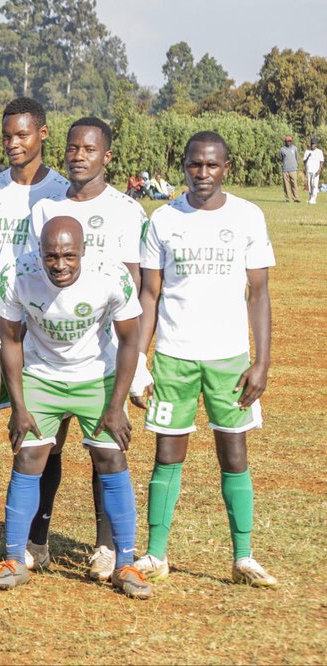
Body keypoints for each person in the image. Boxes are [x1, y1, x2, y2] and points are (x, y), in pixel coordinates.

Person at [133, 131, 277, 588]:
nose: (203, 173)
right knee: (167, 453)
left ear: (226, 168)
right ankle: (156, 554)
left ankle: (244, 556)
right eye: (195, 164)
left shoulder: (248, 216)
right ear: (184, 166)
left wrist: (262, 361)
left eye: (212, 165)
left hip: (230, 359)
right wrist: (139, 360)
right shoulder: (163, 219)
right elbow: (150, 294)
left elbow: (259, 293)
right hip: (174, 356)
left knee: (234, 453)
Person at [0, 216, 152, 600]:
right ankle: (15, 558)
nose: (59, 265)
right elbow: (9, 340)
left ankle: (124, 562)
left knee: (111, 460)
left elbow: (130, 340)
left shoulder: (111, 274)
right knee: (28, 458)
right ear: (39, 253)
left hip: (97, 375)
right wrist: (20, 405)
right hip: (42, 374)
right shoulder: (17, 272)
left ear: (83, 251)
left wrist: (116, 406)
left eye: (68, 256)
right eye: (51, 256)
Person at [22, 116, 149, 578]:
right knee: (44, 449)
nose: (78, 156)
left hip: (104, 353)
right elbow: (28, 276)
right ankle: (38, 539)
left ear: (106, 157)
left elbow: (134, 286)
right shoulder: (43, 207)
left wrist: (138, 365)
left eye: (89, 149)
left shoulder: (125, 210)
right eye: (73, 148)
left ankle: (105, 547)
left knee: (104, 449)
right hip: (47, 353)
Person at [0, 97, 69, 565]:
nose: (13, 144)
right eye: (7, 135)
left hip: (48, 334)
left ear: (43, 134)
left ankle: (38, 535)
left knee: (45, 442)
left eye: (23, 135)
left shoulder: (64, 193)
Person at [279, 135, 300, 203]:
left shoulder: (294, 148)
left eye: (290, 141)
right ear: (285, 141)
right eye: (287, 141)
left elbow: (296, 157)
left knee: (294, 185)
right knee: (286, 185)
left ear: (291, 141)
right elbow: (281, 159)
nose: (289, 142)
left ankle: (296, 198)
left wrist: (294, 165)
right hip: (285, 170)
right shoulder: (282, 149)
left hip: (293, 169)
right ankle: (287, 198)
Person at [304, 139, 323, 204]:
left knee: (314, 184)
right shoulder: (307, 151)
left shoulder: (319, 151)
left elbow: (321, 161)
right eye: (312, 144)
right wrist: (308, 157)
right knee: (309, 185)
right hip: (309, 170)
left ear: (316, 144)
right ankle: (310, 197)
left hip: (316, 171)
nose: (312, 145)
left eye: (314, 144)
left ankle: (313, 199)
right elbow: (304, 161)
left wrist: (319, 170)